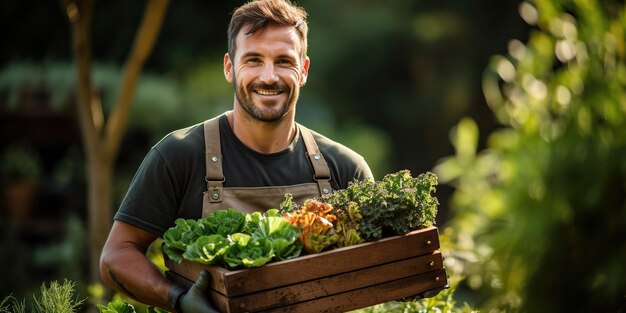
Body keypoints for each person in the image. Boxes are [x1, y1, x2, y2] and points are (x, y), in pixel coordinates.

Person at [99, 0, 373, 312]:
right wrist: (177, 300)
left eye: (284, 61)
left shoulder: (345, 168)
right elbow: (116, 256)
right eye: (253, 60)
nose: (268, 77)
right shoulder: (179, 155)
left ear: (304, 70)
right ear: (230, 67)